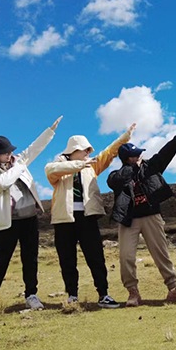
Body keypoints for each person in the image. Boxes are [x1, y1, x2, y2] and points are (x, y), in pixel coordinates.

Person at [45, 124, 135, 308]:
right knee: (67, 259)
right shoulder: (57, 167)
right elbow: (51, 171)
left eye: (88, 150)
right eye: (84, 149)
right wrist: (79, 165)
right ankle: (72, 296)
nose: (88, 152)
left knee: (96, 257)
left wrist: (125, 137)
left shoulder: (91, 166)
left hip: (88, 217)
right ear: (73, 151)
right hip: (64, 219)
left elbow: (109, 152)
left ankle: (103, 294)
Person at [0, 115, 62, 310]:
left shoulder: (17, 161)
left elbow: (35, 148)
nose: (9, 155)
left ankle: (31, 295)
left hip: (29, 219)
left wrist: (50, 130)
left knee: (30, 258)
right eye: (4, 153)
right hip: (7, 222)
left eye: (10, 152)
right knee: (0, 260)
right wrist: (20, 165)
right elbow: (2, 183)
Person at [107, 122, 176, 307]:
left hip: (151, 216)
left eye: (140, 153)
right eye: (136, 154)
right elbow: (113, 181)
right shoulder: (118, 174)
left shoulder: (150, 167)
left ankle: (173, 289)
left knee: (161, 253)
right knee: (126, 257)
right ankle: (133, 293)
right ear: (128, 158)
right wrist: (132, 168)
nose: (140, 156)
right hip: (128, 220)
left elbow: (164, 154)